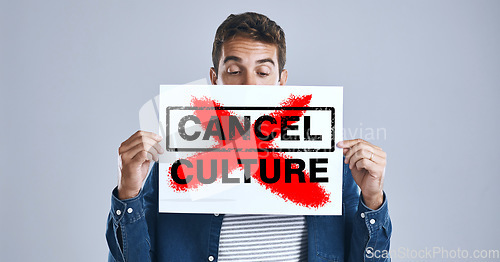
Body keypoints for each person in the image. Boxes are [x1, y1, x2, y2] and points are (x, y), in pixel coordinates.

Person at [106, 12, 391, 262]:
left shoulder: (330, 166)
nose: (249, 85)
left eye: (263, 72)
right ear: (214, 78)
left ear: (281, 81)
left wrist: (372, 197)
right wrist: (129, 193)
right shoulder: (177, 160)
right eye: (233, 71)